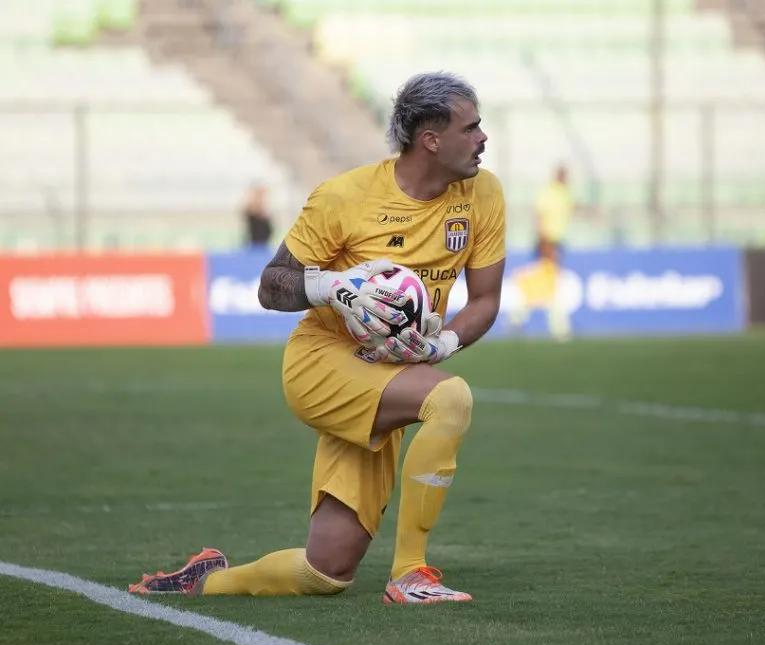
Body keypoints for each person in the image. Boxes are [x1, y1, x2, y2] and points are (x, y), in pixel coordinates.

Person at [128, 71, 505, 604]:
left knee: (325, 571)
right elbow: (270, 285)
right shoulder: (344, 197)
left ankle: (205, 579)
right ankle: (410, 575)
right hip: (323, 362)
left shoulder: (482, 193)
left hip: (387, 372)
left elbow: (486, 300)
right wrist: (336, 287)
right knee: (451, 399)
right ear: (430, 140)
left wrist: (439, 345)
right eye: (472, 127)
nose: (483, 137)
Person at [506, 164, 575, 341]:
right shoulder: (548, 192)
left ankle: (521, 321)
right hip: (547, 242)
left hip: (555, 242)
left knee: (546, 283)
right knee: (546, 283)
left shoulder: (564, 193)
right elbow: (539, 215)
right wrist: (545, 242)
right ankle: (557, 327)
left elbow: (571, 208)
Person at [242, 182, 274, 249]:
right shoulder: (252, 209)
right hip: (254, 245)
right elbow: (249, 209)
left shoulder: (264, 211)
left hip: (264, 244)